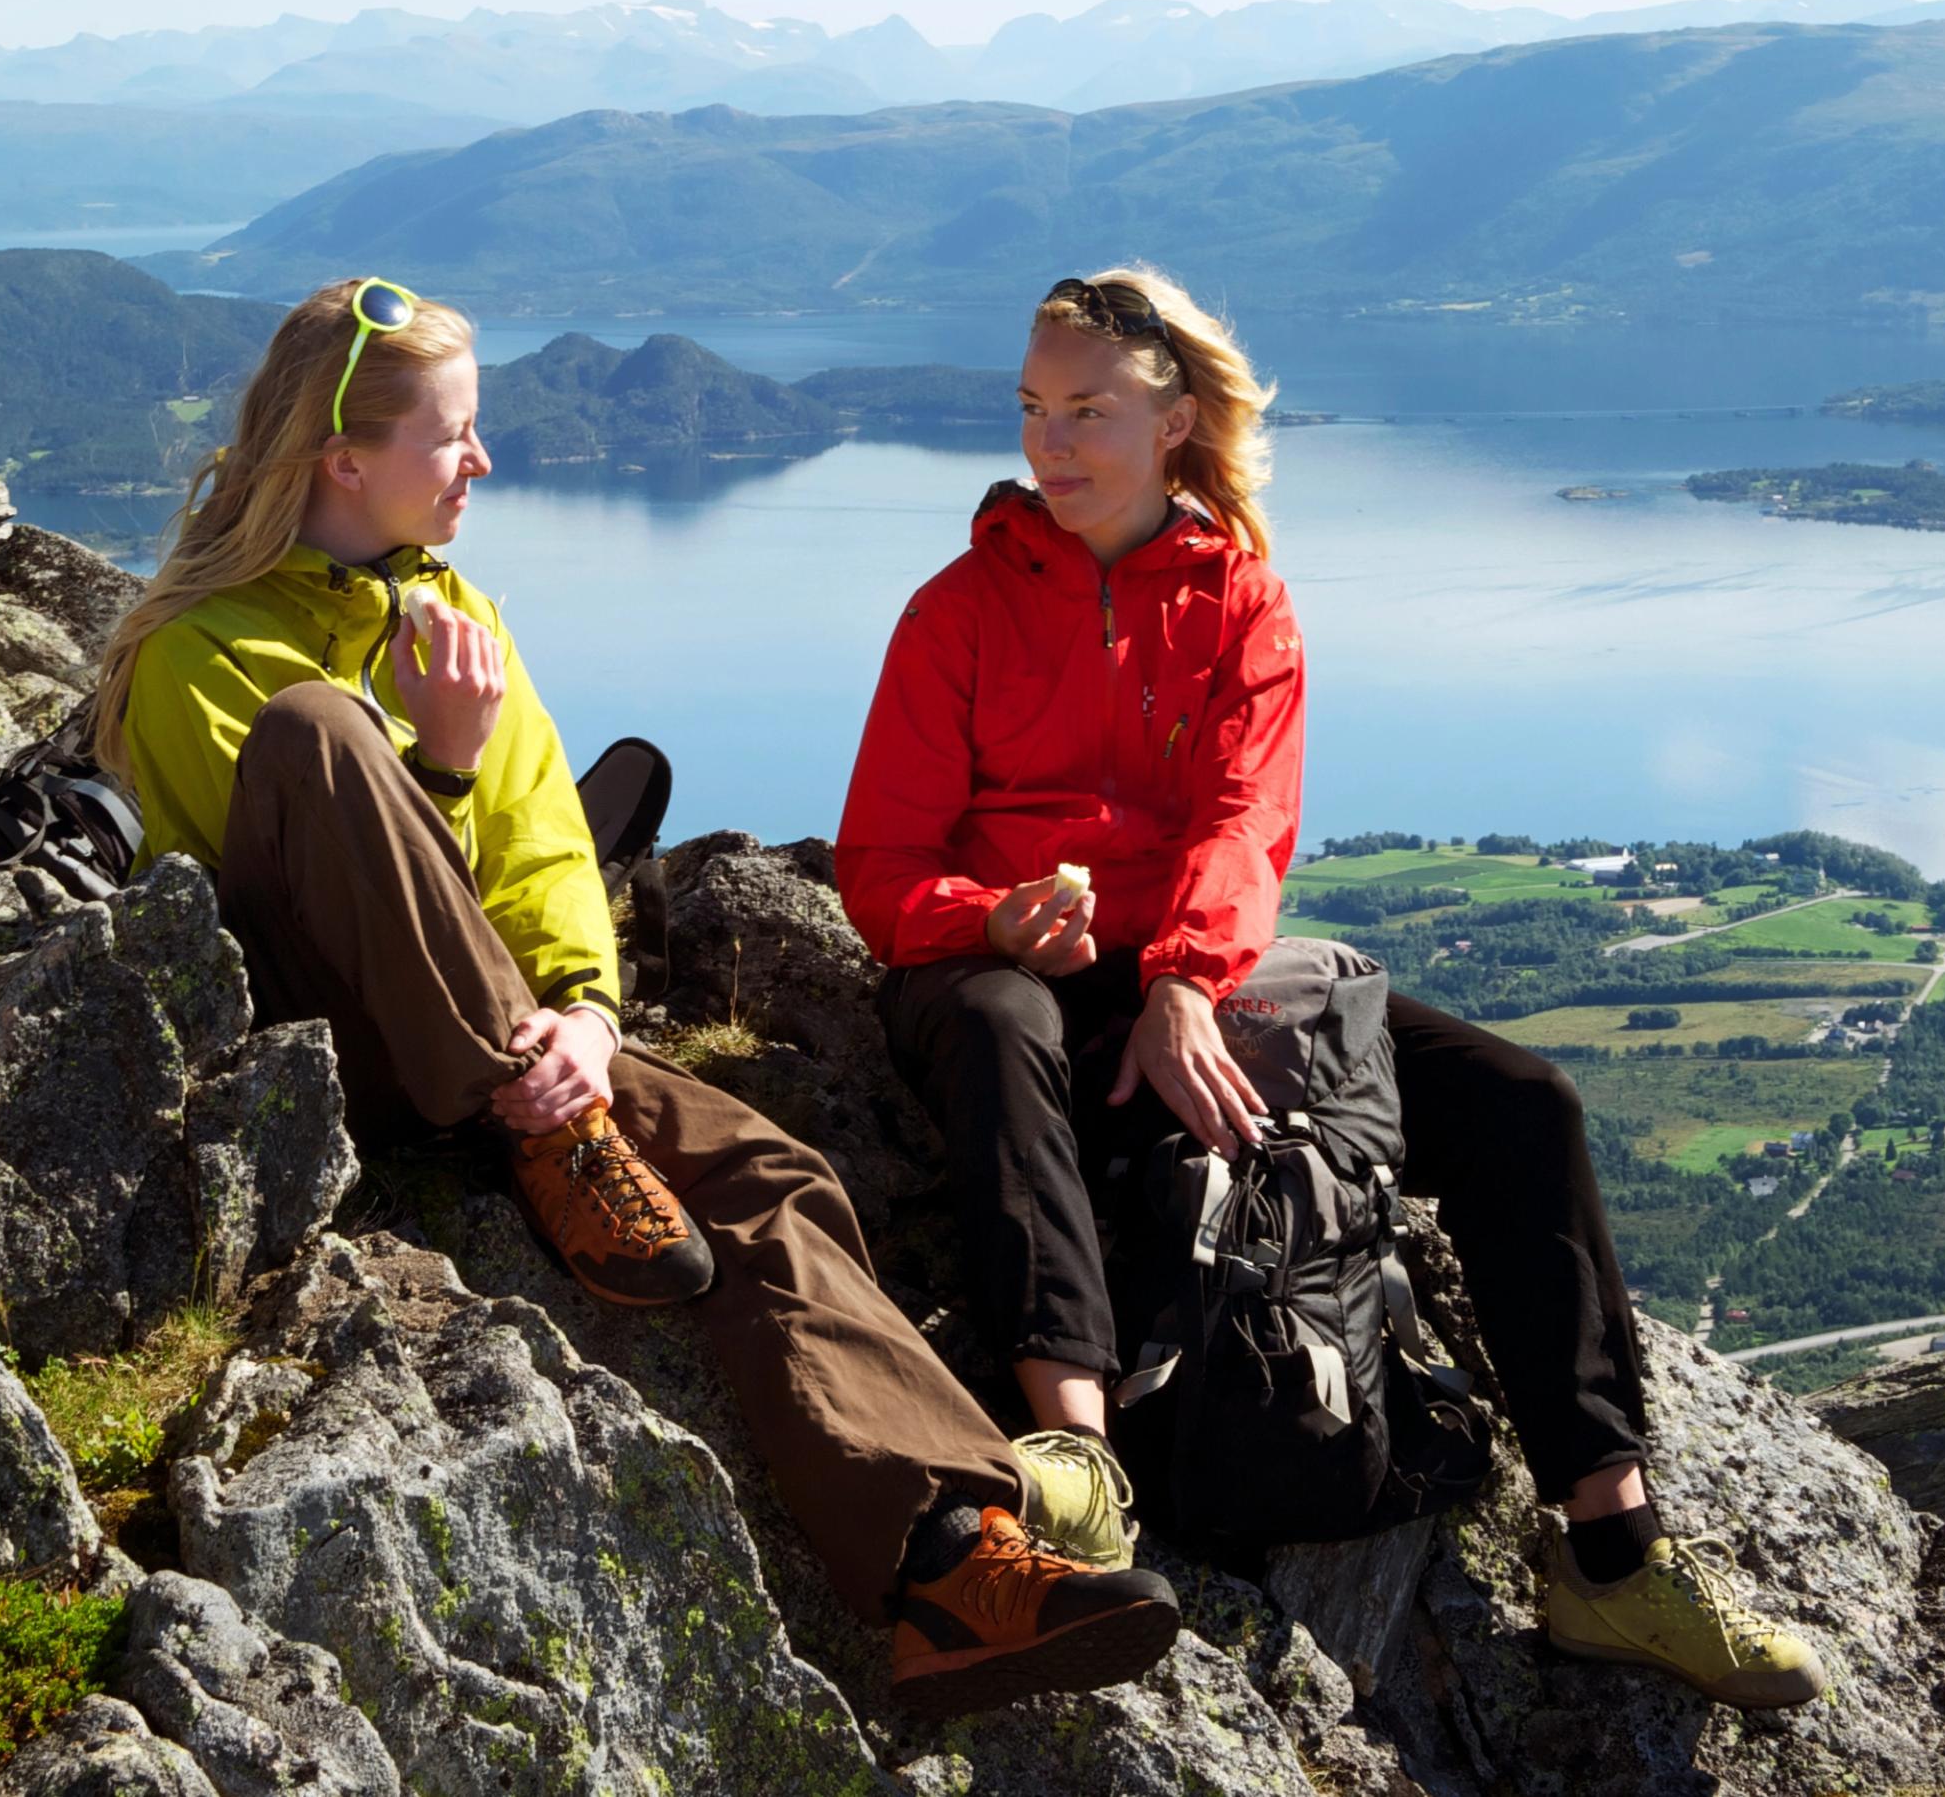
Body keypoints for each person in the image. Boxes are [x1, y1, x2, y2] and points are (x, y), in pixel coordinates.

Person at [91, 273, 1184, 1720]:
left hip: (513, 1045)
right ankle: (545, 1131)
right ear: (345, 459)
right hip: (338, 1042)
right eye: (453, 437)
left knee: (767, 1176)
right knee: (320, 735)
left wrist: (588, 1023)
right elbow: (311, 898)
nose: (481, 462)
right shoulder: (197, 651)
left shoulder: (456, 608)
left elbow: (551, 856)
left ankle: (952, 1562)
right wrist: (436, 763)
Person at [834, 266, 1828, 1712]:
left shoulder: (1240, 603)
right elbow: (879, 867)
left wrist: (1180, 979)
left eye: (1089, 411)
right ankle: (1081, 1464)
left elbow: (1248, 824)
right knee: (997, 1033)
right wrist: (993, 916)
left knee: (1519, 1105)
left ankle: (1613, 1559)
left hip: (1191, 970)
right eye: (1035, 410)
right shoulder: (958, 609)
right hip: (999, 972)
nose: (1051, 444)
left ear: (1175, 418)